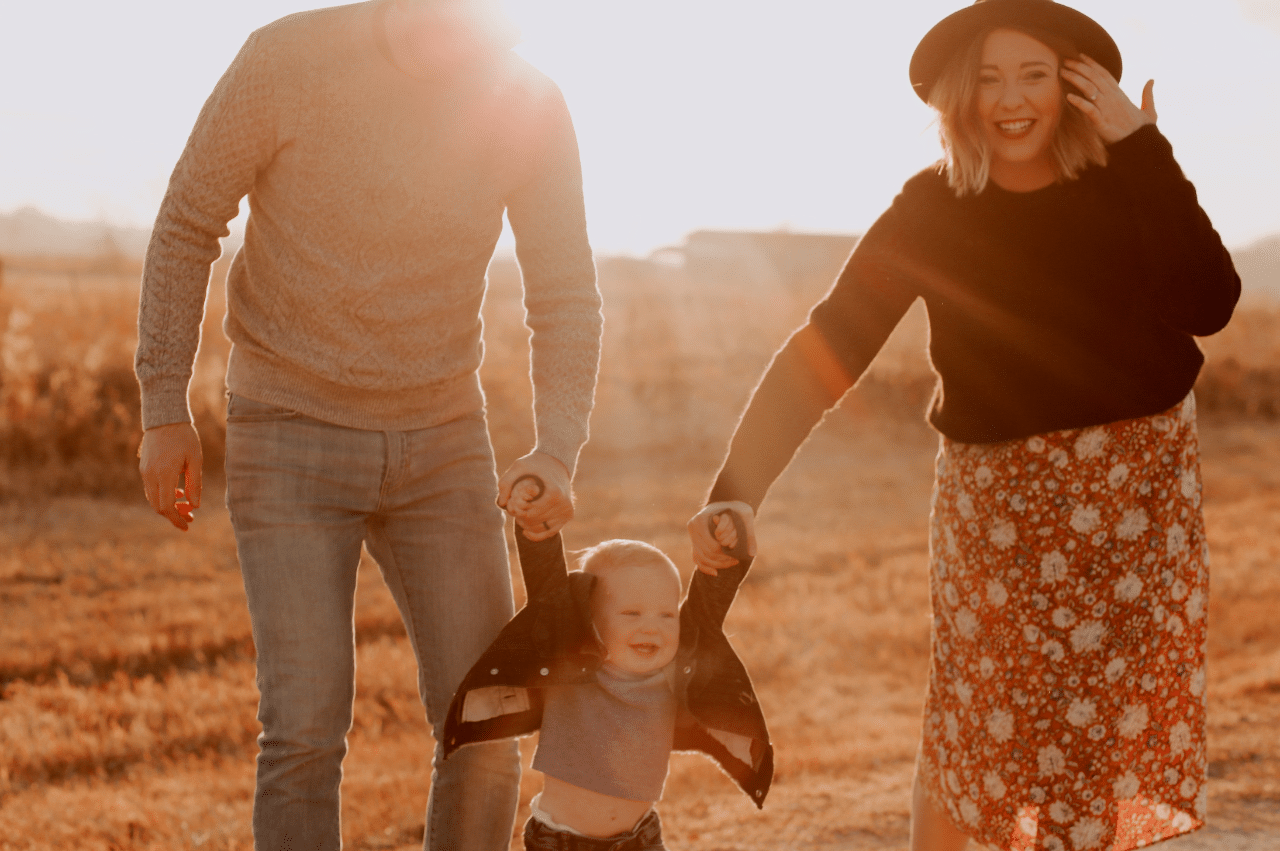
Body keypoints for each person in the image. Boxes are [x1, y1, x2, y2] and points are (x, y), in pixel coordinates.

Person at [688, 2, 1240, 850]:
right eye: (988, 77)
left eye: (1033, 74)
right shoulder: (931, 208)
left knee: (1109, 734)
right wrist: (737, 488)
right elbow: (831, 344)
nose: (1010, 99)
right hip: (997, 507)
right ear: (958, 94)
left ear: (1073, 85)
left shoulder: (1125, 179)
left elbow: (1209, 303)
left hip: (1133, 502)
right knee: (972, 721)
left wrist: (1141, 148)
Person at [134, 1, 603, 848]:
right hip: (288, 425)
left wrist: (557, 445)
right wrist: (164, 405)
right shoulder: (285, 61)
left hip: (444, 434)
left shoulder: (527, 102)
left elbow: (564, 288)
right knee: (305, 730)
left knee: (486, 718)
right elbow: (187, 221)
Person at [443, 479, 773, 850]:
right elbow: (546, 582)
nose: (651, 627)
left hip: (641, 840)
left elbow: (714, 588)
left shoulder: (674, 670)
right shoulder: (571, 661)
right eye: (631, 613)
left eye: (667, 614)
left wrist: (728, 536)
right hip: (561, 843)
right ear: (590, 621)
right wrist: (536, 518)